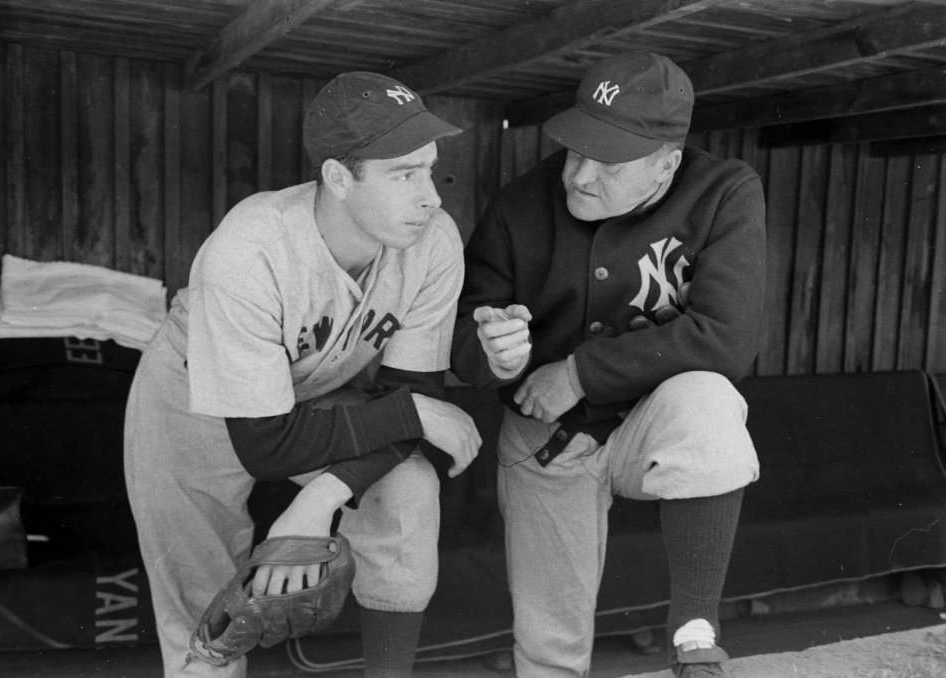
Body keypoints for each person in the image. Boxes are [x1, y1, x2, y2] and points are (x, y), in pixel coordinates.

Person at [124, 71, 482, 678]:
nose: (431, 196)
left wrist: (320, 497)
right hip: (191, 401)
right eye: (404, 174)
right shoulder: (250, 249)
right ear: (339, 178)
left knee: (407, 491)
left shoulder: (432, 240)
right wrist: (414, 414)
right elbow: (266, 444)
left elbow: (412, 394)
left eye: (429, 169)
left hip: (314, 388)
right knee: (204, 611)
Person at [450, 52, 765, 678]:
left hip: (651, 421)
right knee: (550, 645)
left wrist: (578, 373)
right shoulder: (520, 204)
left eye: (610, 159)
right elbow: (462, 337)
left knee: (706, 397)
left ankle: (695, 633)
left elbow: (727, 338)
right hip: (547, 440)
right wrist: (486, 349)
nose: (580, 175)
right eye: (575, 149)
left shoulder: (722, 191)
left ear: (667, 165)